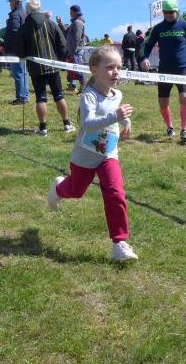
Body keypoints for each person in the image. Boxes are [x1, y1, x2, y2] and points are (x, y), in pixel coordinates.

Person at [47, 46, 137, 262]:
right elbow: (87, 124)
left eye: (119, 67)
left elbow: (114, 114)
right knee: (76, 191)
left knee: (115, 192)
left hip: (108, 154)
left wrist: (125, 121)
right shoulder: (89, 95)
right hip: (85, 157)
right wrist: (116, 116)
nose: (116, 72)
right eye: (110, 67)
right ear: (94, 70)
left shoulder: (118, 94)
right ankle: (59, 188)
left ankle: (119, 244)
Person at [138, 0, 186, 143]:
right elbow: (146, 45)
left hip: (183, 68)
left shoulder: (185, 26)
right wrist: (144, 58)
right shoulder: (158, 28)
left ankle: (184, 130)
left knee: (184, 97)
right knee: (163, 102)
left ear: (177, 11)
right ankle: (169, 127)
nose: (169, 15)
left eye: (171, 12)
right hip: (164, 69)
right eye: (166, 12)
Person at [12, 0, 76, 136]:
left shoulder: (24, 28)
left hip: (36, 69)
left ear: (27, 10)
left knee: (40, 97)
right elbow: (62, 45)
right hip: (53, 66)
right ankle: (67, 124)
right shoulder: (51, 23)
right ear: (39, 8)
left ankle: (43, 128)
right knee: (59, 95)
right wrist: (58, 60)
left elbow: (20, 52)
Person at [5, 0, 29, 105]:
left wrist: (6, 44)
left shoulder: (15, 14)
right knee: (23, 73)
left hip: (15, 48)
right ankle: (24, 96)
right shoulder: (24, 13)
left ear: (15, 2)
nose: (10, 4)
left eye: (11, 2)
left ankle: (21, 98)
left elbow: (14, 31)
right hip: (23, 47)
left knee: (18, 73)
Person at [64, 4, 86, 92]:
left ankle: (83, 89)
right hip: (73, 50)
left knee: (78, 70)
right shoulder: (75, 22)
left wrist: (73, 52)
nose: (69, 13)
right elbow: (66, 32)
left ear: (74, 12)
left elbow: (77, 38)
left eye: (70, 12)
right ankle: (72, 86)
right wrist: (60, 24)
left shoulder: (77, 23)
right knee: (71, 69)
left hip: (76, 50)